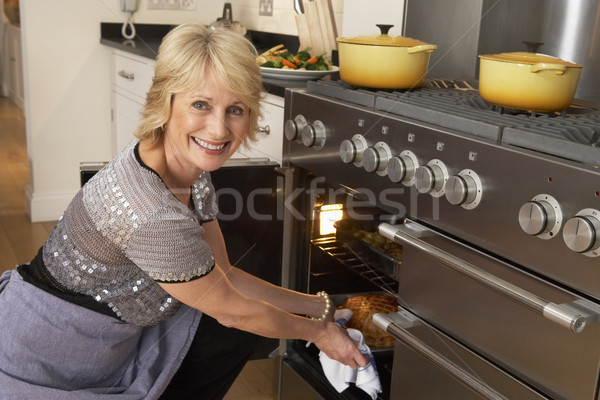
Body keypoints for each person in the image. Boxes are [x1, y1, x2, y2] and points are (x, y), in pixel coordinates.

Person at [0, 23, 368, 399]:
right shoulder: (153, 213)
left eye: (235, 109)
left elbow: (224, 273)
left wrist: (318, 306)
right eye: (200, 104)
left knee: (236, 326)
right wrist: (320, 333)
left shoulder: (182, 169)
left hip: (104, 340)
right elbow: (231, 310)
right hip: (49, 360)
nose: (219, 129)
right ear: (166, 100)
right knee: (236, 321)